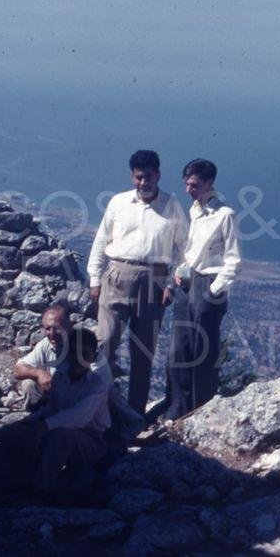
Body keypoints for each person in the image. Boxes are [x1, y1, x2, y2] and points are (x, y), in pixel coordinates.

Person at [87, 149, 189, 416]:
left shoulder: (171, 206)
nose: (144, 183)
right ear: (132, 176)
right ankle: (98, 407)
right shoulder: (118, 203)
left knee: (143, 353)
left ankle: (134, 416)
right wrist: (95, 278)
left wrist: (170, 284)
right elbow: (101, 240)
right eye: (138, 177)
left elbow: (184, 250)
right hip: (117, 274)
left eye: (149, 176)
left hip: (154, 281)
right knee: (105, 343)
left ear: (158, 174)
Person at [164, 158, 242, 420]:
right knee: (178, 348)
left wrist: (214, 292)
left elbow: (234, 260)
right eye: (186, 184)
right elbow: (191, 250)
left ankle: (200, 408)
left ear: (209, 183)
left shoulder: (225, 215)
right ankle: (177, 405)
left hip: (209, 285)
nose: (188, 190)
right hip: (188, 282)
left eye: (194, 185)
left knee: (203, 352)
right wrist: (181, 270)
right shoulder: (194, 211)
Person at [3, 327, 111, 496]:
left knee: (60, 436)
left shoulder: (98, 384)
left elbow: (80, 417)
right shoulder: (61, 377)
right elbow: (53, 407)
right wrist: (32, 421)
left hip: (91, 442)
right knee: (15, 431)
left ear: (93, 357)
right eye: (74, 352)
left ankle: (41, 488)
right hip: (63, 430)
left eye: (85, 354)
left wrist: (45, 426)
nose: (79, 359)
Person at [13, 302, 71, 410]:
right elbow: (17, 370)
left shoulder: (81, 346)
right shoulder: (46, 344)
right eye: (48, 329)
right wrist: (39, 373)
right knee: (28, 384)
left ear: (68, 325)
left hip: (77, 402)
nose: (52, 334)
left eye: (57, 328)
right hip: (54, 397)